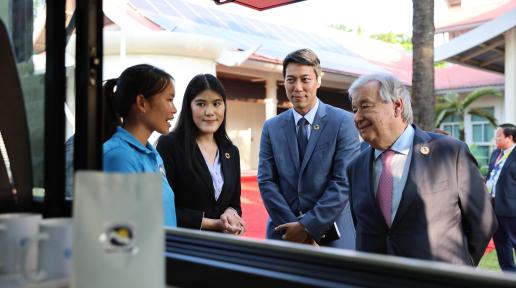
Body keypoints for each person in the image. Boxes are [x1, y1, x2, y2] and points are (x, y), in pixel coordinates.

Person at [347, 72, 497, 265]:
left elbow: (483, 222)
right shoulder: (355, 167)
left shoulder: (450, 152)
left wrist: (458, 269)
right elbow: (361, 226)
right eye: (354, 109)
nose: (357, 117)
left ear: (397, 106)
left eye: (365, 106)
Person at [258, 48, 360, 248]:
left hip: (332, 236)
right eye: (291, 79)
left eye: (305, 79)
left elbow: (343, 181)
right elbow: (266, 180)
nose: (297, 87)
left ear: (318, 80)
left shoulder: (343, 122)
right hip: (283, 232)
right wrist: (294, 228)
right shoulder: (271, 127)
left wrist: (307, 226)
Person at [157, 74, 245, 235]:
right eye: (201, 104)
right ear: (188, 106)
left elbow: (235, 203)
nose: (210, 112)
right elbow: (163, 207)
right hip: (186, 246)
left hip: (223, 247)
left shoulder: (231, 151)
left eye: (217, 104)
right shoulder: (170, 145)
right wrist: (213, 224)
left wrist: (230, 213)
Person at [103, 64, 177, 227]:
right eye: (169, 100)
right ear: (142, 103)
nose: (174, 109)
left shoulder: (152, 154)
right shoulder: (119, 157)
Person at [486, 123, 516, 271]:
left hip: (512, 210)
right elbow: (490, 176)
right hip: (494, 208)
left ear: (509, 137)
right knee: (502, 246)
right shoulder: (496, 153)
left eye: (498, 136)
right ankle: (509, 277)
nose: (495, 139)